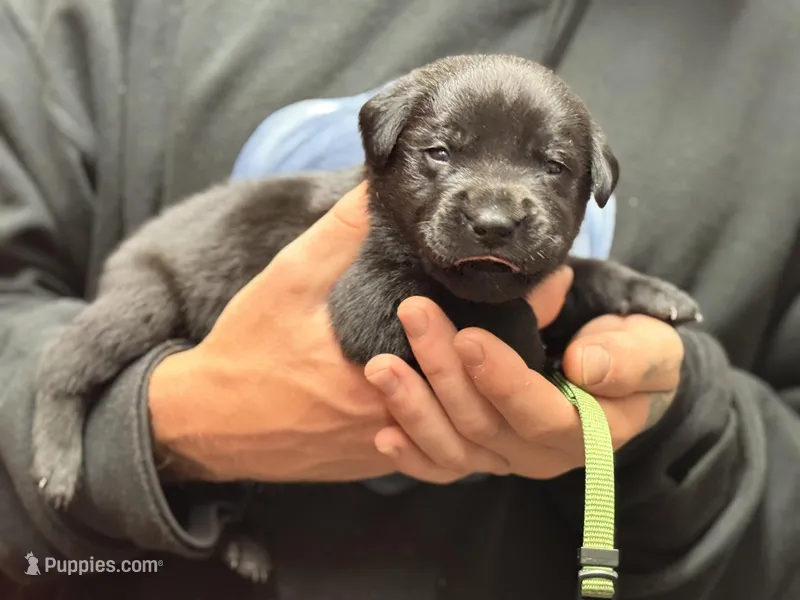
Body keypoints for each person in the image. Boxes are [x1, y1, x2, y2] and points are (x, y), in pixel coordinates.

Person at [0, 1, 798, 599]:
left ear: (593, 184)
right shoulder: (96, 23)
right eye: (442, 156)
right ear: (380, 149)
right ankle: (60, 417)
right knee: (124, 327)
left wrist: (680, 416)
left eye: (551, 168)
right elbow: (369, 329)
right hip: (175, 278)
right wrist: (151, 426)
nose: (492, 209)